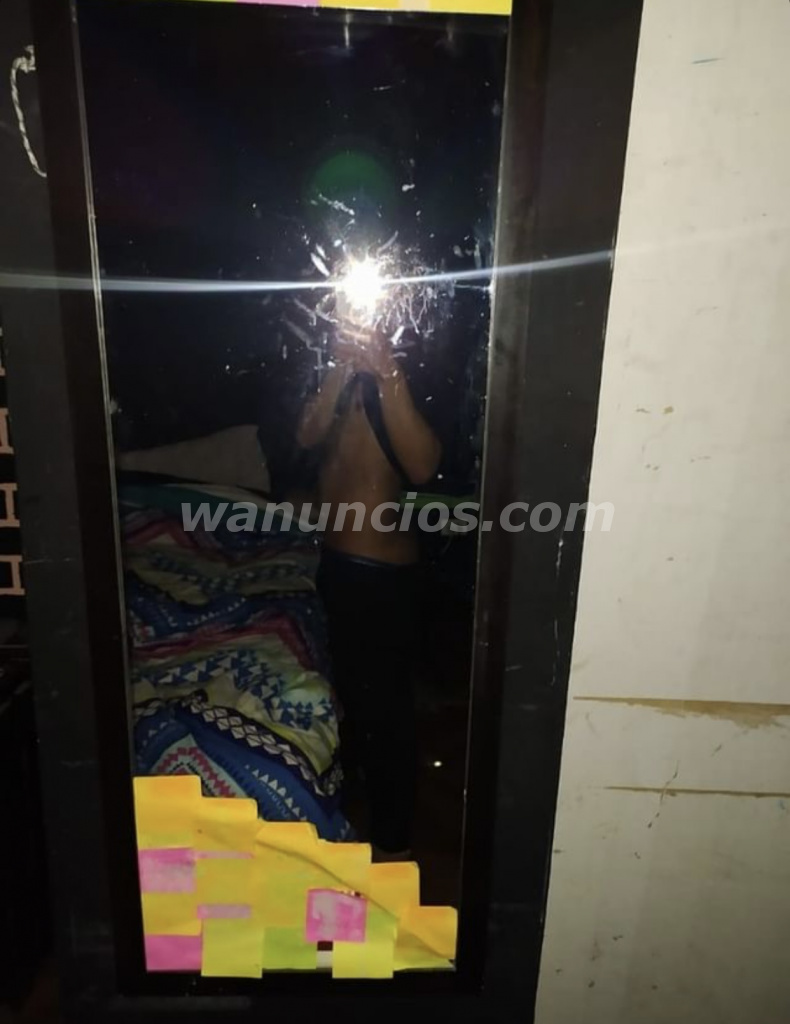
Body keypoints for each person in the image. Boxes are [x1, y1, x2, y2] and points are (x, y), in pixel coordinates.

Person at [297, 322, 441, 857]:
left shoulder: (404, 374)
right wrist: (338, 365)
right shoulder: (334, 376)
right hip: (335, 565)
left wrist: (388, 372)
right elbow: (306, 436)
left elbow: (423, 467)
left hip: (382, 576)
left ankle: (393, 843)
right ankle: (361, 808)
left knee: (387, 711)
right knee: (352, 699)